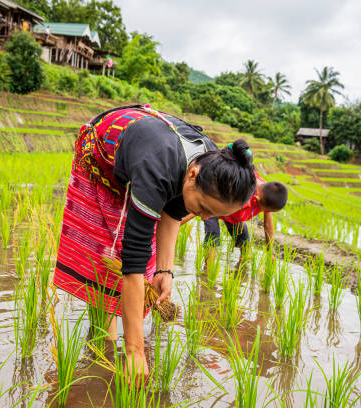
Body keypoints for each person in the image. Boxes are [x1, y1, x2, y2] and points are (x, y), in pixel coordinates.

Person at [53, 104, 256, 379]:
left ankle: (109, 332)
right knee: (108, 250)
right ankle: (105, 337)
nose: (205, 217)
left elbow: (174, 210)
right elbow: (132, 265)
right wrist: (135, 351)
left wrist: (164, 271)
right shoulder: (157, 168)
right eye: (204, 208)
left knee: (145, 260)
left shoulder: (214, 164)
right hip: (103, 154)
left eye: (213, 214)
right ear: (192, 175)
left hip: (154, 161)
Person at [201, 173, 288, 259]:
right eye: (267, 210)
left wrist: (270, 251)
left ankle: (242, 269)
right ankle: (207, 270)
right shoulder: (243, 188)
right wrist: (204, 210)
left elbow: (268, 225)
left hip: (235, 215)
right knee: (212, 238)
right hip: (213, 206)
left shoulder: (266, 194)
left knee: (245, 244)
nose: (267, 212)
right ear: (257, 198)